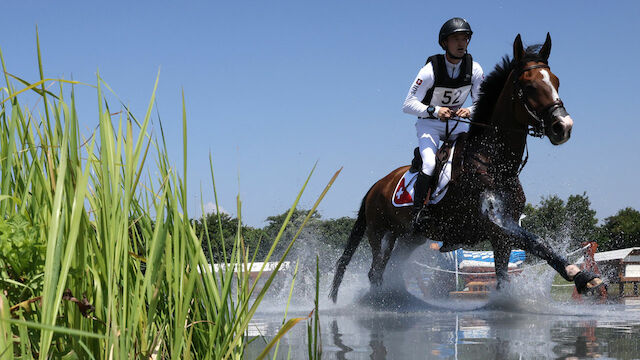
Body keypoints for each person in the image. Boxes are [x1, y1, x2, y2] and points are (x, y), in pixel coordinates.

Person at [402, 17, 484, 233]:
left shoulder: (474, 69)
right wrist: (435, 110)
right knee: (429, 164)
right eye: (455, 39)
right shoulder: (430, 70)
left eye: (464, 38)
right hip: (430, 125)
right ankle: (418, 213)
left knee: (478, 157)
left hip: (457, 124)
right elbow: (408, 105)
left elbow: (482, 102)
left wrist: (471, 110)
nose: (461, 43)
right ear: (444, 43)